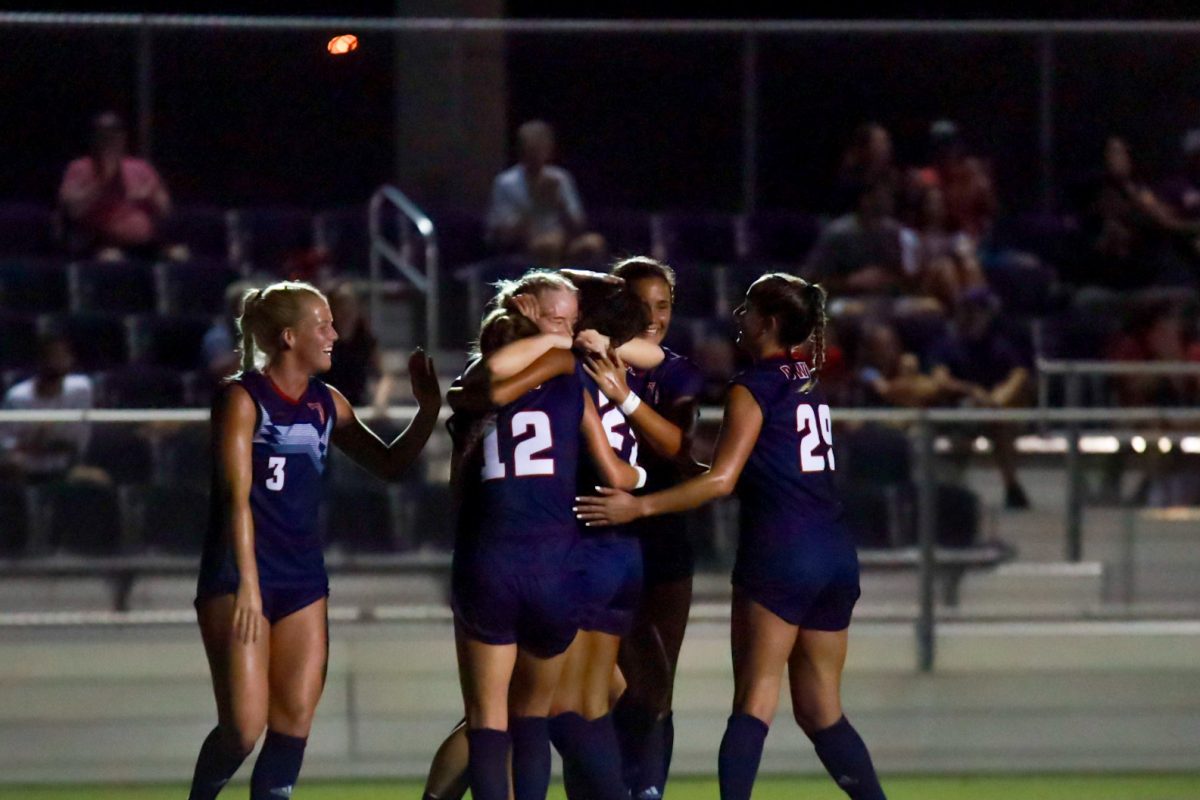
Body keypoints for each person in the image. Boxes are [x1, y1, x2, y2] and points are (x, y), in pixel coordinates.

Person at [577, 273, 887, 800]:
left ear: (768, 323)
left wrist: (640, 505)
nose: (737, 317)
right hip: (835, 553)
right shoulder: (808, 377)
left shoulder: (753, 385)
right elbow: (735, 467)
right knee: (821, 711)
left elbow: (719, 481)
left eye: (747, 309)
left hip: (782, 552)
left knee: (754, 704)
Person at [186, 281, 442, 800]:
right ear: (288, 336)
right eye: (322, 324)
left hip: (302, 577)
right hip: (240, 576)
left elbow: (390, 465)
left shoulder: (329, 403)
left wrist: (429, 412)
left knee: (293, 722)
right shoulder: (241, 398)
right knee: (242, 729)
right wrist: (250, 588)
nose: (335, 334)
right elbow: (236, 499)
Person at [443, 270, 643, 800]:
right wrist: (643, 480)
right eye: (560, 320)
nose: (569, 330)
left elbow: (483, 391)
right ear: (529, 313)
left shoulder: (470, 396)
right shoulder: (569, 376)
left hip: (487, 561)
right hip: (556, 565)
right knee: (533, 714)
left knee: (486, 721)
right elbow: (616, 475)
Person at [926, 287, 1033, 509]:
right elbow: (940, 379)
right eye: (969, 311)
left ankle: (1012, 487)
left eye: (979, 312)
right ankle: (952, 491)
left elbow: (1018, 374)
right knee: (964, 428)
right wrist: (971, 391)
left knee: (1001, 426)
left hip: (989, 411)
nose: (974, 317)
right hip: (953, 411)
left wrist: (996, 399)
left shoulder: (999, 345)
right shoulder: (947, 343)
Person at [57, 111, 183, 262]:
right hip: (101, 242)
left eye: (115, 134)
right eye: (103, 134)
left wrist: (151, 196)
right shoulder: (79, 167)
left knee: (180, 256)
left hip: (145, 244)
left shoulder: (141, 167)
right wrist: (101, 186)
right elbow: (72, 211)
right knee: (113, 260)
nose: (109, 139)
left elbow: (165, 210)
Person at [485, 119, 606, 268]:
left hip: (562, 238)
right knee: (548, 246)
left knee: (593, 243)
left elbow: (578, 225)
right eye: (532, 148)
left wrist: (559, 203)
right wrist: (535, 202)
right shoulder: (506, 183)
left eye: (541, 147)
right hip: (526, 243)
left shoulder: (560, 178)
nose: (536, 154)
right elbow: (503, 233)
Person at [0, 332, 94, 484]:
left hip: (64, 468)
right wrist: (34, 443)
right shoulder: (17, 398)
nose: (57, 361)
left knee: (97, 479)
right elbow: (5, 443)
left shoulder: (81, 389)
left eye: (62, 356)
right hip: (25, 469)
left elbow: (75, 444)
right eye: (51, 356)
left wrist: (47, 444)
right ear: (40, 360)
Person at [803, 179, 909, 296]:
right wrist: (849, 282)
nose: (888, 200)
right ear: (865, 200)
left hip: (884, 301)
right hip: (843, 301)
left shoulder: (892, 232)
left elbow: (901, 275)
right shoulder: (839, 233)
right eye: (881, 196)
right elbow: (812, 279)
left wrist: (886, 278)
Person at [909, 119, 997, 240]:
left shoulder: (972, 173)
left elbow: (990, 211)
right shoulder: (924, 178)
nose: (944, 151)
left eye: (948, 144)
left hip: (976, 241)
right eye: (939, 146)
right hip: (940, 243)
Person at [322, 281, 394, 414]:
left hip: (358, 409)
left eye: (350, 307)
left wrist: (380, 400)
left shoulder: (365, 339)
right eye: (341, 307)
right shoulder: (321, 340)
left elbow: (384, 375)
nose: (346, 313)